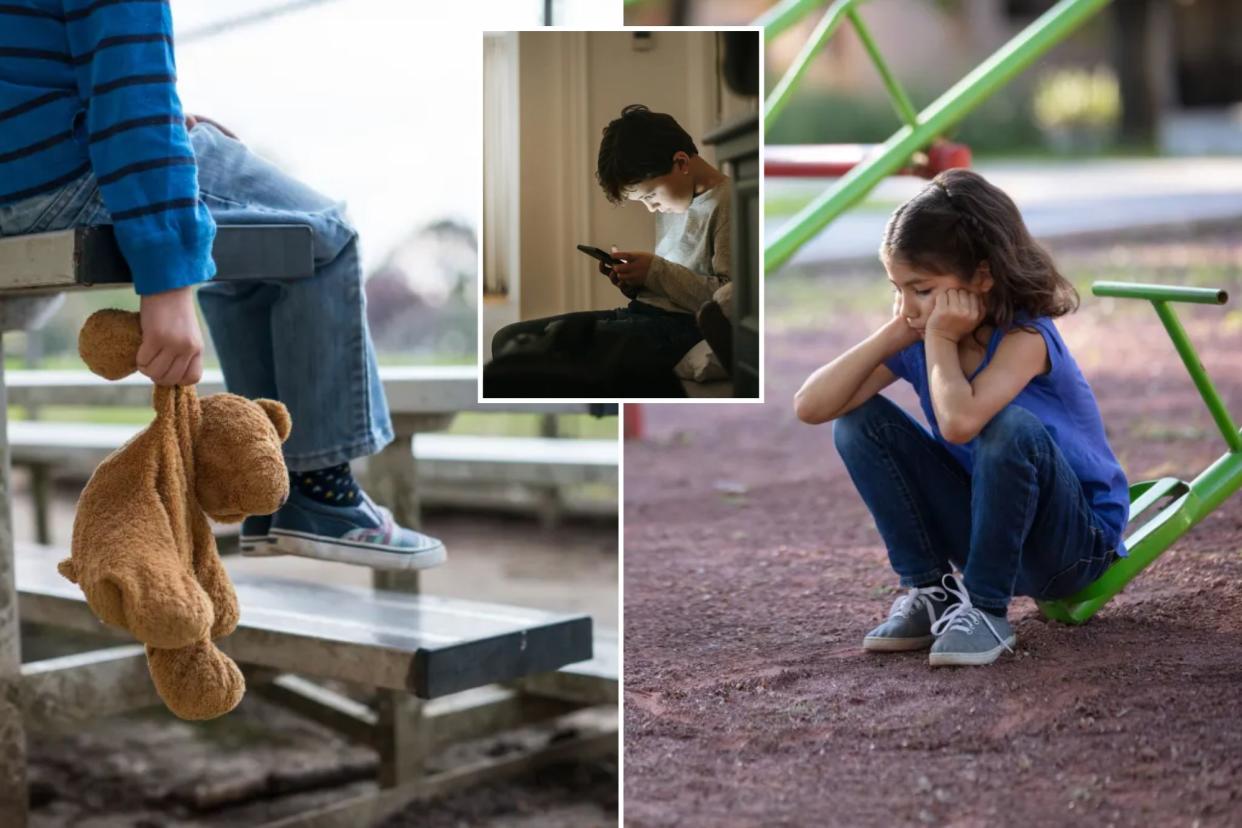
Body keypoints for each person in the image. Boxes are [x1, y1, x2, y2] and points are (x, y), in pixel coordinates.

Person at [0, 0, 443, 570]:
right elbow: (131, 85)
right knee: (326, 234)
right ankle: (321, 493)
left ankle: (271, 485)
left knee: (254, 249)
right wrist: (168, 282)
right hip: (66, 171)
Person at [793, 168, 1130, 667]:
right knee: (857, 421)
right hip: (988, 531)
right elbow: (811, 407)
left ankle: (989, 612)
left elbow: (959, 422)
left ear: (981, 278)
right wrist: (894, 334)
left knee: (1009, 428)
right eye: (897, 288)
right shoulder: (917, 336)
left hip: (1071, 547)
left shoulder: (1025, 340)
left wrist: (941, 341)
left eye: (922, 289)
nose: (908, 306)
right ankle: (933, 593)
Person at [489, 104, 731, 379]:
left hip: (680, 328)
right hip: (643, 314)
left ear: (681, 163)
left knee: (544, 351)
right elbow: (669, 282)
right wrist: (635, 281)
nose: (652, 208)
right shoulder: (676, 198)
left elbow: (729, 300)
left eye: (650, 196)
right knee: (507, 340)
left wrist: (654, 271)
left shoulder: (730, 202)